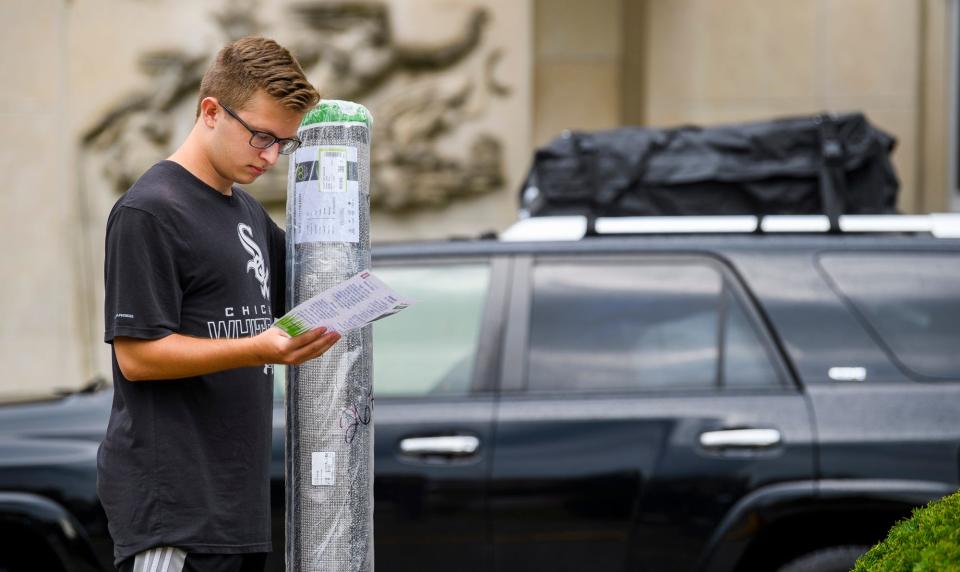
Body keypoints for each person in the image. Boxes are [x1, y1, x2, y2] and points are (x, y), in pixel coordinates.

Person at [99, 36, 339, 572]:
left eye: (284, 142)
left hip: (238, 510)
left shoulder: (248, 213)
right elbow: (137, 358)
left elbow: (302, 296)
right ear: (210, 110)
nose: (272, 156)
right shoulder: (149, 211)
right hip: (174, 513)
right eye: (261, 136)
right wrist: (260, 348)